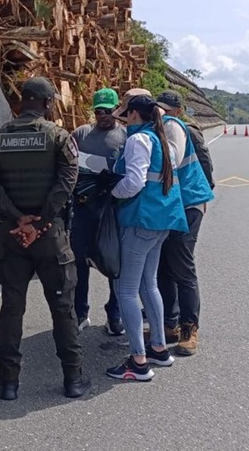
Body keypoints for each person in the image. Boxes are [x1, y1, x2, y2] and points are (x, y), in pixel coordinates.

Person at [0, 77, 90, 400]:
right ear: (48, 103)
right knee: (63, 310)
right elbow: (67, 183)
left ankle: (9, 384)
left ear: (21, 102)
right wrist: (40, 222)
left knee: (12, 310)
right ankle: (73, 380)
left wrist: (17, 217)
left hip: (12, 238)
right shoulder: (59, 137)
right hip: (50, 239)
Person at [105, 94, 188, 381]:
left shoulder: (138, 140)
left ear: (134, 115)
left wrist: (110, 191)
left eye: (126, 115)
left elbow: (134, 182)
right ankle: (159, 349)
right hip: (163, 220)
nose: (124, 120)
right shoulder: (161, 138)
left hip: (141, 221)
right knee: (148, 284)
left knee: (125, 290)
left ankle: (138, 362)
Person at [155, 90, 215, 356]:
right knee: (163, 266)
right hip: (171, 206)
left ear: (177, 111)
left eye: (166, 110)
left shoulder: (177, 128)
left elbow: (174, 160)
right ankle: (170, 324)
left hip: (189, 204)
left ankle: (190, 327)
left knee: (181, 265)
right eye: (159, 108)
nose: (162, 113)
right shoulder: (160, 127)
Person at [70, 88, 126, 335]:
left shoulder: (125, 136)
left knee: (114, 263)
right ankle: (80, 313)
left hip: (112, 211)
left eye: (108, 110)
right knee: (79, 263)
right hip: (83, 209)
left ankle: (114, 315)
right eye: (98, 111)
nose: (103, 116)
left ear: (117, 110)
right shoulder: (81, 134)